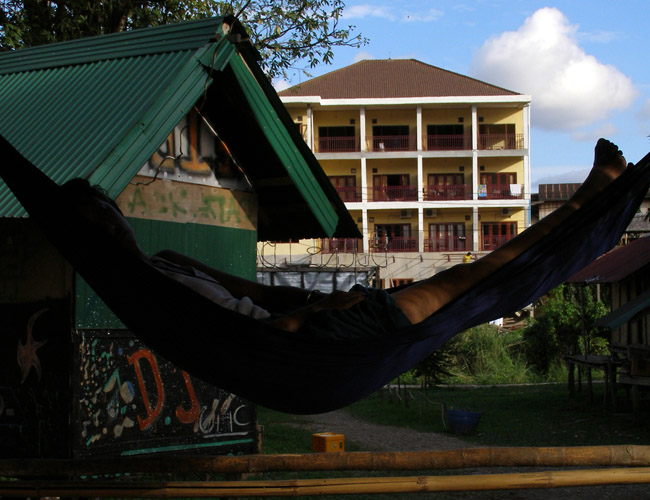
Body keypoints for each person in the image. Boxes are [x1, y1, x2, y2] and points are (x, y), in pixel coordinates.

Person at [74, 139, 627, 341]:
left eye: (110, 210)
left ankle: (591, 203)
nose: (114, 221)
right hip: (318, 342)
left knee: (472, 284)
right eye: (101, 221)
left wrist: (315, 300)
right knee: (471, 281)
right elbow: (260, 333)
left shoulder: (165, 263)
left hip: (321, 320)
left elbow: (257, 295)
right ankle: (588, 201)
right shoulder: (149, 290)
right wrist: (326, 310)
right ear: (93, 243)